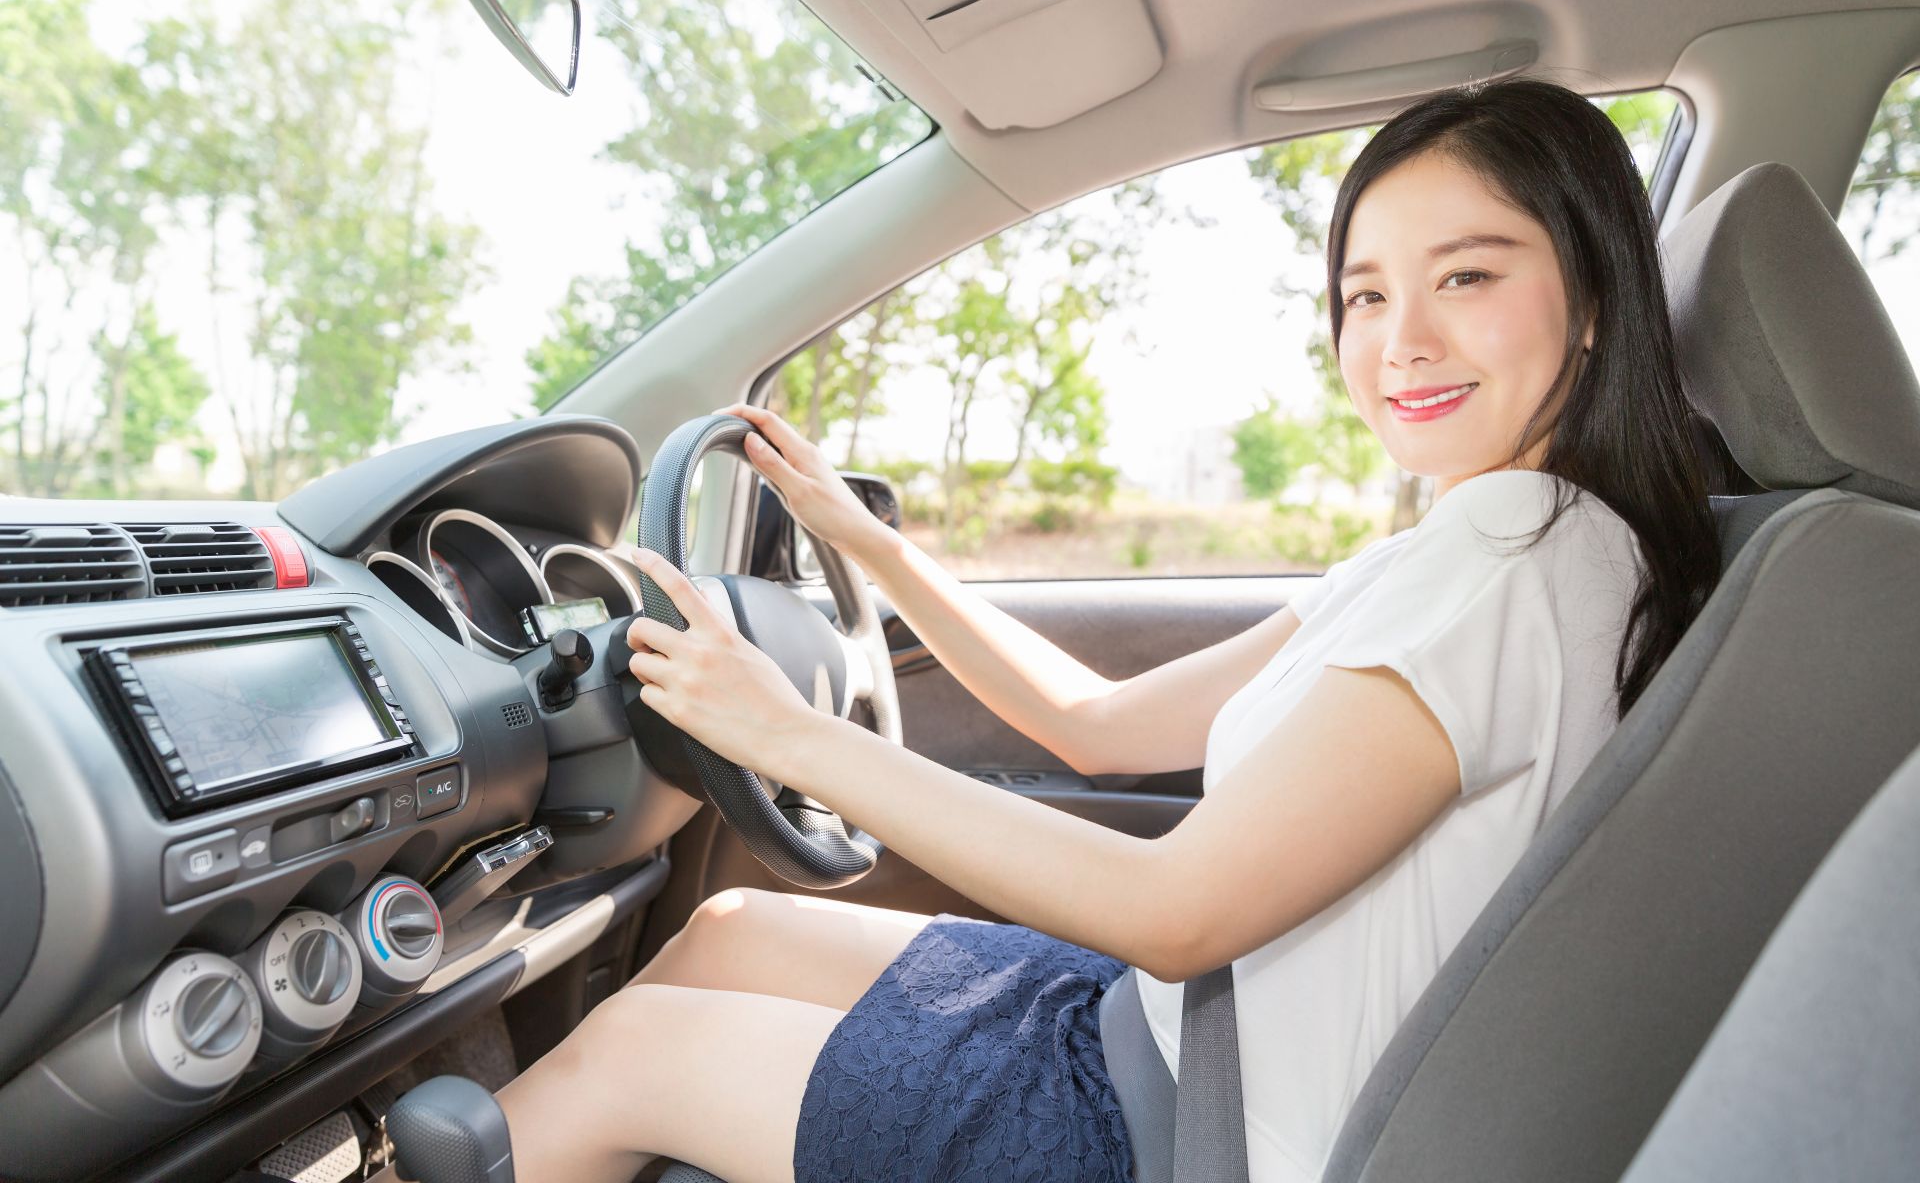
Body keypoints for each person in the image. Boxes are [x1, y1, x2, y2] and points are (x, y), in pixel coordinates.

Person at [404, 76, 1721, 1183]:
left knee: (640, 1056)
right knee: (730, 930)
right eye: (1366, 294)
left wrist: (785, 732)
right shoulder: (1494, 548)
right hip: (1168, 1041)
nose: (1401, 341)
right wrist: (873, 547)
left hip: (1192, 1135)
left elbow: (1174, 909)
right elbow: (1094, 727)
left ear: (1594, 300)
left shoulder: (1503, 563)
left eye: (1468, 276)